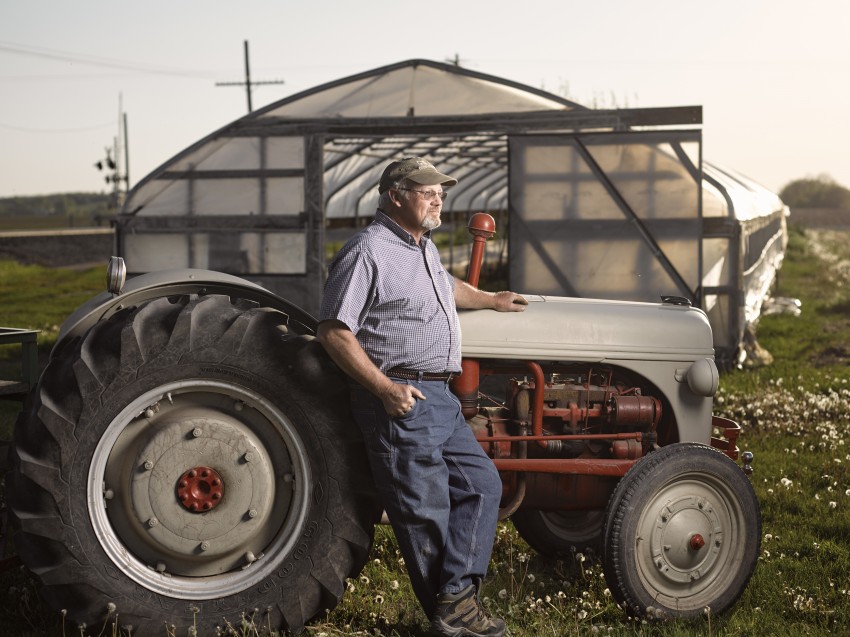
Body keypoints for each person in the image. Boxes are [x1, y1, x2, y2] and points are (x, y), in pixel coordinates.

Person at [317, 157, 527, 637]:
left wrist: (490, 299)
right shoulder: (367, 251)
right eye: (428, 190)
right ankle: (455, 615)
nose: (439, 198)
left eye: (441, 192)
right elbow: (333, 330)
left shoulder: (421, 249)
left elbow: (444, 288)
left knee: (483, 485)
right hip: (402, 395)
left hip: (441, 396)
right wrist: (387, 390)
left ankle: (454, 602)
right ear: (395, 194)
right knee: (425, 512)